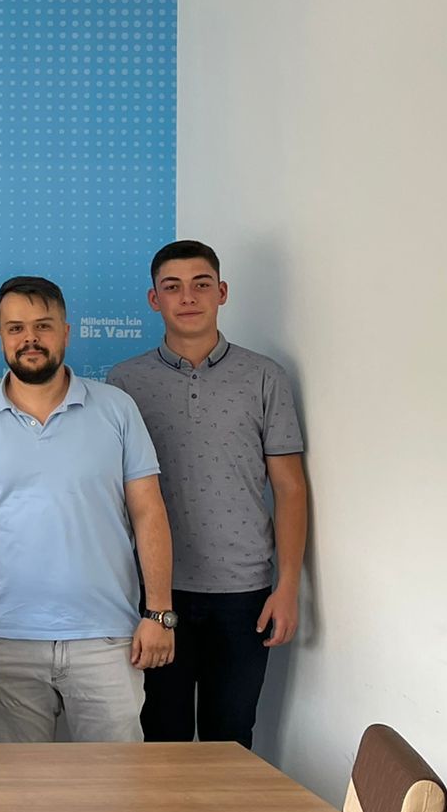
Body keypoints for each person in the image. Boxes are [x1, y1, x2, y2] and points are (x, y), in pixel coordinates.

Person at [0, 275, 175, 743]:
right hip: (5, 641)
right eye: (16, 328)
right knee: (20, 786)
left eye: (43, 326)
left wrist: (160, 613)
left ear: (65, 332)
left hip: (108, 639)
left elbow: (149, 512)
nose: (30, 338)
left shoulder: (117, 409)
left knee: (115, 781)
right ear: (0, 336)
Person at [108, 240, 309, 748]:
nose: (188, 297)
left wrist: (288, 586)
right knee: (162, 739)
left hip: (245, 594)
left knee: (232, 740)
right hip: (158, 595)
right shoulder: (124, 383)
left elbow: (289, 487)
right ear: (154, 299)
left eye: (201, 285)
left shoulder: (264, 376)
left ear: (221, 292)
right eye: (172, 287)